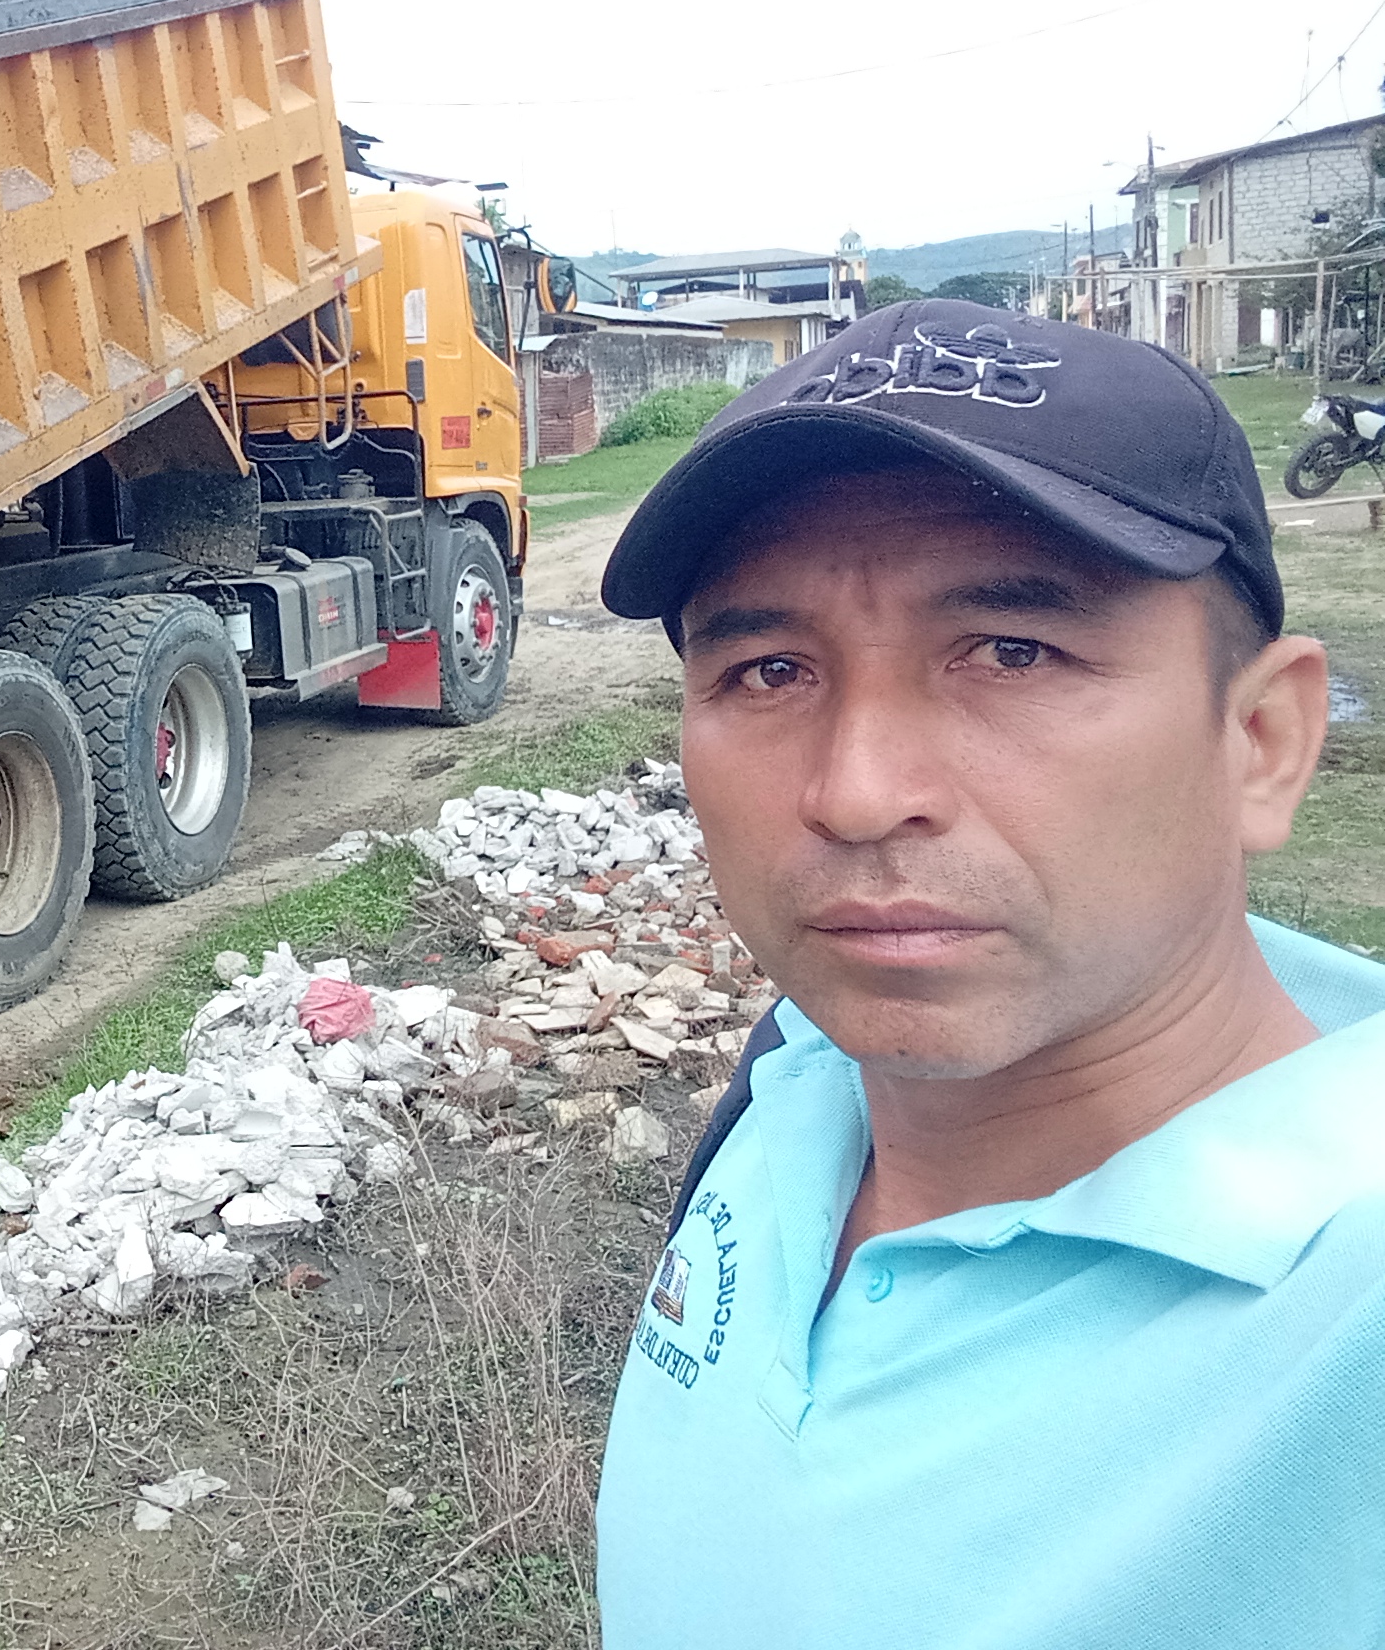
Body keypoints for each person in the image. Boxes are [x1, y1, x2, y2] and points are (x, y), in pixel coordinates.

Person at [591, 302, 1385, 1647]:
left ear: (1260, 740)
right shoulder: (797, 1082)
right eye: (770, 670)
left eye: (1014, 653)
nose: (856, 793)